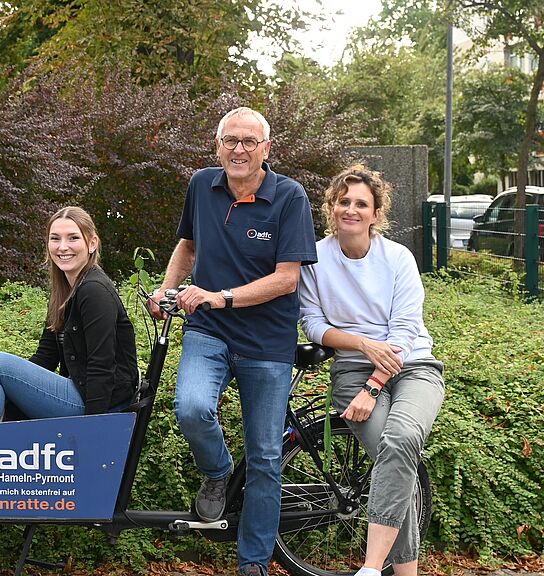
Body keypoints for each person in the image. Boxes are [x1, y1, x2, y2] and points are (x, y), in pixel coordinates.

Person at [148, 107, 317, 576]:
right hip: (209, 331)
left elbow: (286, 280)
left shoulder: (289, 197)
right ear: (218, 145)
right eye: (230, 141)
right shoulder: (203, 185)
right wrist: (167, 289)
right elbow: (188, 245)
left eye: (249, 141)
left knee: (265, 457)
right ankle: (218, 473)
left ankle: (254, 564)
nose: (238, 150)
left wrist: (221, 296)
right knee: (191, 407)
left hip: (266, 342)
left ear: (266, 148)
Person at [299, 165, 445, 576]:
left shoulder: (398, 258)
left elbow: (404, 330)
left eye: (361, 203)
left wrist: (375, 386)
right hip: (352, 370)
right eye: (343, 201)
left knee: (401, 439)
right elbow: (312, 323)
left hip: (414, 367)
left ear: (376, 212)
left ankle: (371, 566)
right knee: (395, 456)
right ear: (331, 207)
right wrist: (363, 345)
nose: (351, 209)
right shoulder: (314, 259)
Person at [0, 206, 138, 423]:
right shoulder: (64, 291)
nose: (63, 247)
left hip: (98, 404)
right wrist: (9, 386)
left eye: (73, 238)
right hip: (78, 390)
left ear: (92, 243)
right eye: (55, 239)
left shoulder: (94, 290)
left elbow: (101, 366)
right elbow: (45, 357)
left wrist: (93, 427)